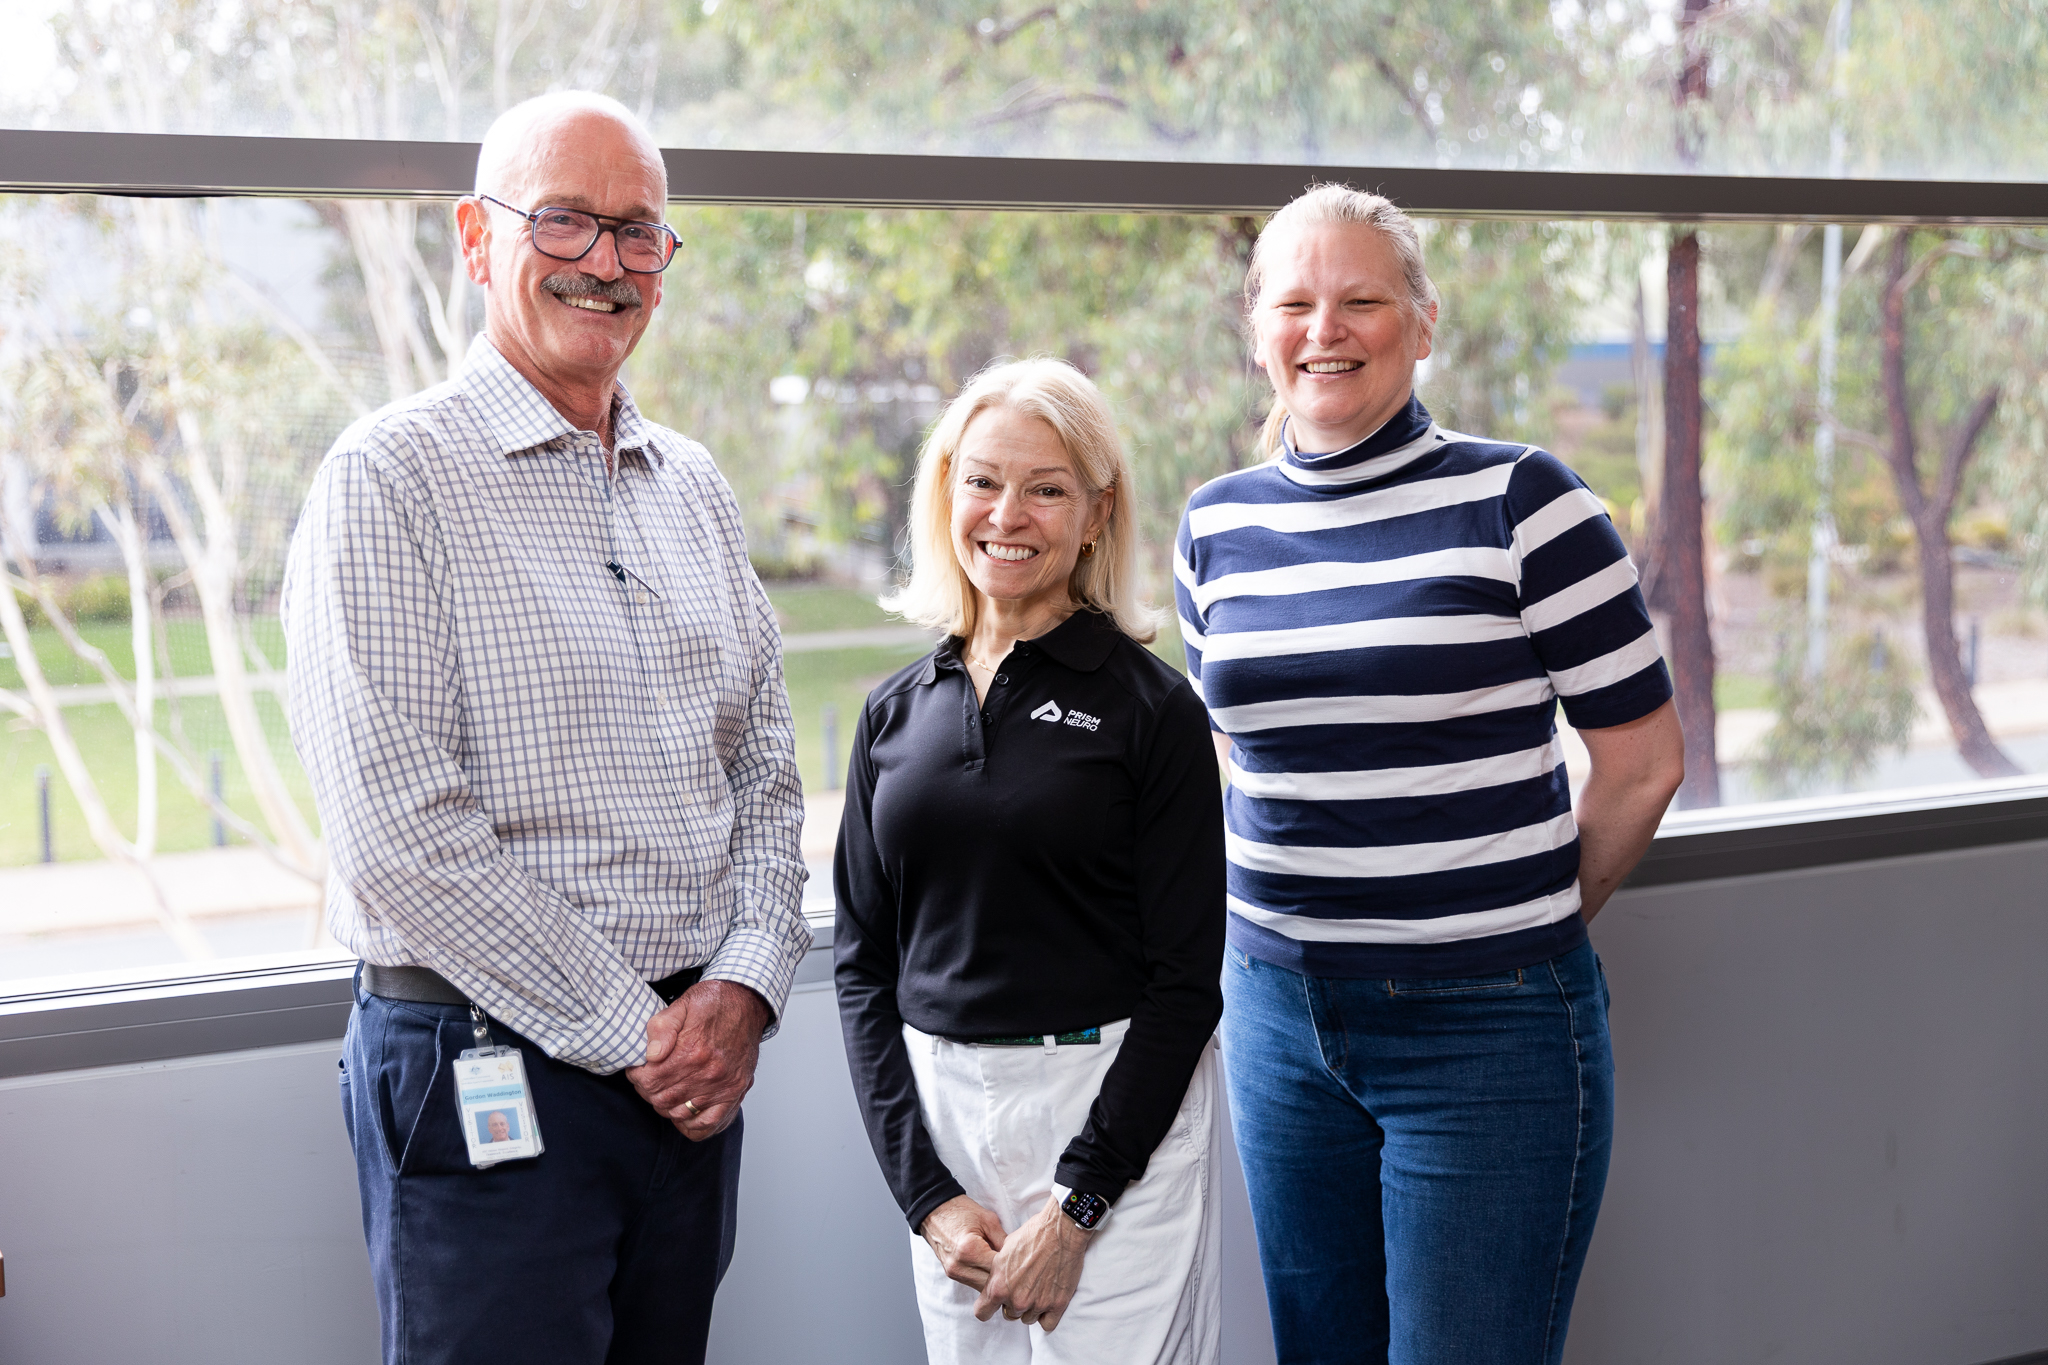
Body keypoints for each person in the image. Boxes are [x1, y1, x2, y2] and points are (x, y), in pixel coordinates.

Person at [282, 91, 811, 1365]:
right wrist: (648, 1038)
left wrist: (743, 987)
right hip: (487, 1067)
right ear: (475, 237)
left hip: (689, 1087)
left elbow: (768, 777)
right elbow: (399, 836)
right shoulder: (388, 477)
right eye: (562, 220)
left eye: (639, 233)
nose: (605, 262)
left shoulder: (690, 487)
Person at [1174, 185, 1685, 1365]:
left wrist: (1515, 929)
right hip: (1276, 1022)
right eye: (1293, 303)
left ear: (1421, 320)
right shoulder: (1217, 527)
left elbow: (1643, 763)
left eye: (1360, 300)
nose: (1324, 330)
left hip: (1488, 1030)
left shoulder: (1523, 502)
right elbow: (1232, 763)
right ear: (1256, 329)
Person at [834, 358, 1228, 1364]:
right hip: (945, 1120)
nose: (1006, 513)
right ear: (944, 492)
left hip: (1107, 1121)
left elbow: (1186, 985)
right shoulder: (891, 714)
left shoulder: (1152, 712)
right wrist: (924, 1195)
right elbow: (862, 969)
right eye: (981, 480)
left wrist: (1077, 1204)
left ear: (1095, 514)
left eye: (1045, 488)